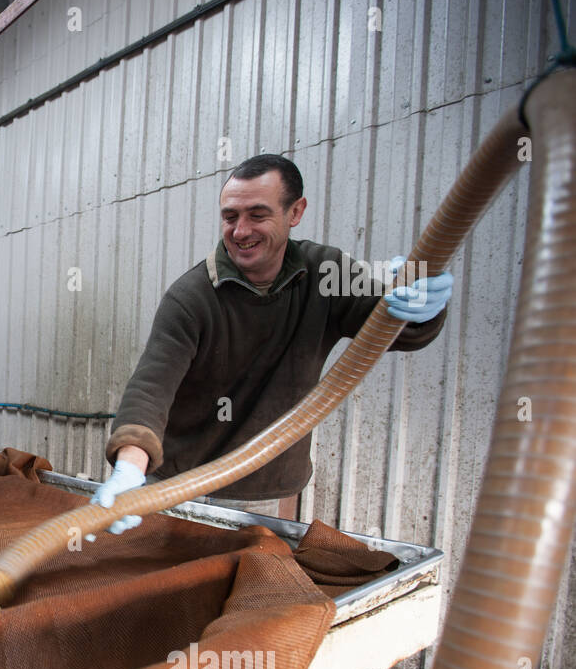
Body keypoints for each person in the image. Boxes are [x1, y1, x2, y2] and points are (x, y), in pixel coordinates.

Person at [92, 154, 453, 528]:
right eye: (230, 217)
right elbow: (151, 387)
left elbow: (394, 328)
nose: (240, 230)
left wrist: (422, 309)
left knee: (259, 581)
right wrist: (130, 467)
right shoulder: (192, 297)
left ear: (295, 212)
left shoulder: (326, 275)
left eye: (257, 215)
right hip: (180, 483)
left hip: (267, 489)